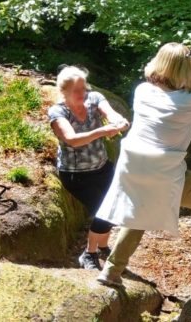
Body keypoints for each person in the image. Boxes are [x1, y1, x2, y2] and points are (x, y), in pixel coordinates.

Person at [95, 42, 191, 287]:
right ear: (187, 69)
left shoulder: (143, 91)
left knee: (139, 215)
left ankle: (111, 272)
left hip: (132, 167)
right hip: (164, 173)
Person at [47, 66, 130, 269]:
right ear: (63, 91)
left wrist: (119, 122)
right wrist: (103, 131)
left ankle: (102, 247)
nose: (82, 94)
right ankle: (88, 254)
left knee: (116, 206)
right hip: (76, 176)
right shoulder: (58, 112)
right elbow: (72, 140)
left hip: (102, 167)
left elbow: (110, 113)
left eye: (83, 88)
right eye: (76, 90)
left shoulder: (94, 98)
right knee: (104, 212)